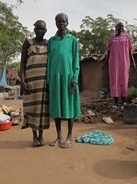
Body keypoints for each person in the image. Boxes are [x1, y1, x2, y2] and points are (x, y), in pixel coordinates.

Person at [47, 13, 81, 148]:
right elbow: (49, 61)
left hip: (68, 78)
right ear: (55, 23)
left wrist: (74, 78)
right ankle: (58, 136)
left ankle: (69, 137)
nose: (61, 23)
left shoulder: (72, 40)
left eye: (63, 21)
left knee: (69, 108)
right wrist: (49, 79)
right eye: (58, 21)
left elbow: (75, 60)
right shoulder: (51, 41)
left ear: (67, 23)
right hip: (55, 78)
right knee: (56, 109)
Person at [20, 20, 50, 147]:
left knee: (43, 109)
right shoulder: (28, 42)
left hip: (44, 83)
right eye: (37, 28)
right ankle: (34, 136)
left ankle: (41, 136)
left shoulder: (49, 44)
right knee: (32, 108)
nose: (40, 31)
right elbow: (22, 64)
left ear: (45, 31)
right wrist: (22, 81)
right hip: (31, 83)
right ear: (34, 29)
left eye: (42, 29)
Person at [106, 22, 136, 111]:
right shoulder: (112, 38)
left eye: (122, 26)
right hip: (114, 63)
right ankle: (115, 103)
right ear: (116, 28)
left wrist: (133, 62)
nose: (121, 27)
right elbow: (108, 52)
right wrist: (105, 62)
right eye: (119, 26)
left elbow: (130, 51)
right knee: (114, 81)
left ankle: (123, 103)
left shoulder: (127, 37)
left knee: (124, 81)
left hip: (124, 62)